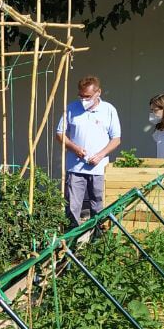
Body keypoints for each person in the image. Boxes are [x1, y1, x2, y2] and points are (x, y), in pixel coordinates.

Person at [55, 76, 121, 226]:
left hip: (99, 168)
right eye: (81, 96)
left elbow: (116, 139)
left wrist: (101, 155)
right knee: (72, 207)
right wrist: (74, 148)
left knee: (98, 206)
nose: (83, 99)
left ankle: (96, 240)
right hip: (75, 167)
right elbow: (60, 134)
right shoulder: (71, 108)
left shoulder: (109, 110)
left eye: (88, 96)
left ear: (98, 92)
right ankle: (71, 241)